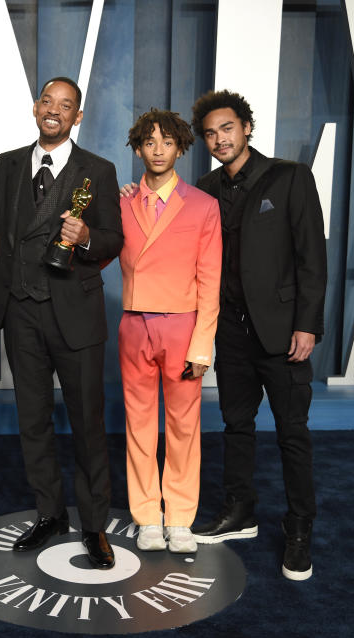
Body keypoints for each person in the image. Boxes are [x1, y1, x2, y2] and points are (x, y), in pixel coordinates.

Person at [0, 77, 123, 569]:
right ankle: (50, 512)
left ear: (78, 117)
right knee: (33, 422)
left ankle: (94, 527)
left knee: (87, 425)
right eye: (47, 101)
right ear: (36, 108)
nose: (54, 111)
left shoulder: (98, 169)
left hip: (75, 314)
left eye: (66, 106)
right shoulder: (10, 163)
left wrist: (85, 236)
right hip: (22, 313)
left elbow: (113, 239)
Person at [189, 90, 327, 581]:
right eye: (210, 133)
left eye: (227, 127)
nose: (219, 138)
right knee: (236, 426)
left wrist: (307, 323)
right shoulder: (203, 188)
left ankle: (299, 528)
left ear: (246, 127)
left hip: (284, 332)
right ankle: (240, 511)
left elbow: (312, 256)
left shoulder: (289, 178)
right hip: (230, 332)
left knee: (293, 433)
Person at [116, 109, 221, 554]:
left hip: (182, 328)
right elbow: (99, 249)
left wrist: (202, 345)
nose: (158, 149)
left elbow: (210, 281)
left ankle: (179, 516)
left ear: (181, 147)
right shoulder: (120, 200)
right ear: (138, 148)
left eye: (167, 141)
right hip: (134, 325)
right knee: (138, 426)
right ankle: (146, 517)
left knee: (183, 427)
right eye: (149, 141)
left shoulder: (202, 205)